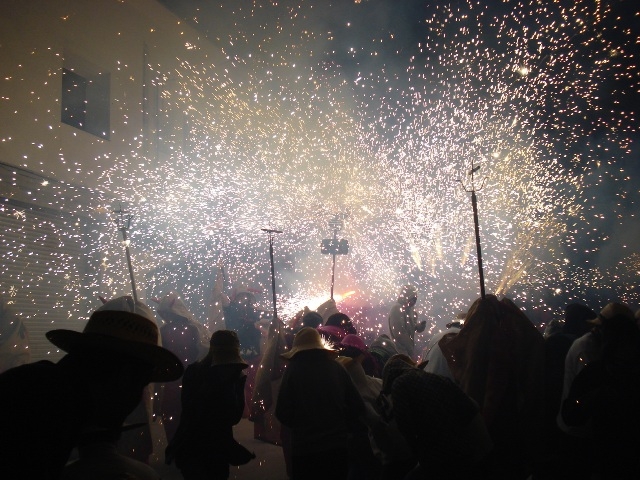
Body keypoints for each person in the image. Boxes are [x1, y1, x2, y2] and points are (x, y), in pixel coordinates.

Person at [0, 295, 184, 479]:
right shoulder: (36, 412)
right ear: (122, 379)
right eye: (140, 383)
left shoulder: (43, 397)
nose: (137, 397)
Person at [276, 327, 366, 480]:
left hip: (304, 450)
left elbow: (282, 413)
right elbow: (358, 406)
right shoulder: (337, 368)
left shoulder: (292, 371)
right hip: (336, 448)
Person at [166, 329, 255, 480]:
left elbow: (187, 408)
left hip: (189, 442)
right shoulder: (232, 375)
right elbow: (234, 417)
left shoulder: (193, 370)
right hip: (216, 447)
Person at [154, 292, 209, 442]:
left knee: (180, 412)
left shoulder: (191, 329)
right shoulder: (190, 328)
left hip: (184, 378)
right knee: (176, 412)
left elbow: (203, 351)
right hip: (180, 378)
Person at [387, 285, 426, 358]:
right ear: (406, 296)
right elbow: (399, 333)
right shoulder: (397, 309)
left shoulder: (411, 310)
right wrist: (409, 347)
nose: (413, 302)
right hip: (398, 350)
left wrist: (419, 326)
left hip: (407, 351)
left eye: (415, 300)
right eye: (412, 299)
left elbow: (413, 326)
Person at [224, 291, 262, 357]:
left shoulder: (253, 311)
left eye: (247, 298)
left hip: (251, 342)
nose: (246, 301)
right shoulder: (232, 310)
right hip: (237, 340)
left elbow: (258, 318)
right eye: (243, 297)